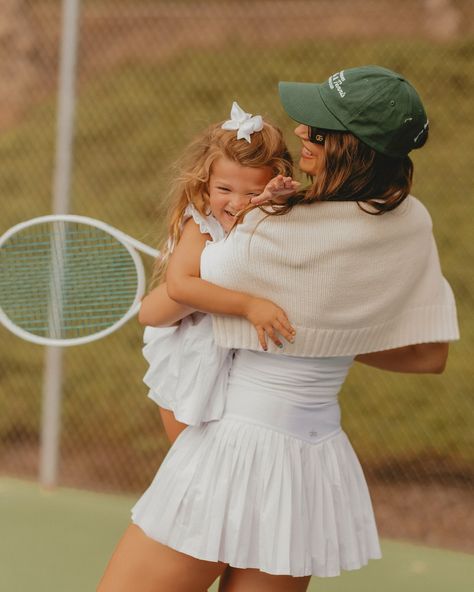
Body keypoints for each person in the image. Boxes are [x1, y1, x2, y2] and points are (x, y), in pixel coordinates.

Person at [98, 66, 459, 592]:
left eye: (316, 129)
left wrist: (287, 320)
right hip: (314, 462)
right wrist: (329, 338)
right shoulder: (412, 224)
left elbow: (162, 307)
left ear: (349, 147)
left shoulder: (266, 224)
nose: (301, 135)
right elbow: (429, 357)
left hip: (234, 453)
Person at [138, 101, 299, 444]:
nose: (238, 203)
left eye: (253, 193)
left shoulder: (271, 223)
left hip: (240, 363)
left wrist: (268, 201)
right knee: (187, 466)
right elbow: (180, 286)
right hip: (191, 355)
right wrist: (249, 306)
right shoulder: (201, 225)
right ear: (205, 183)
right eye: (224, 190)